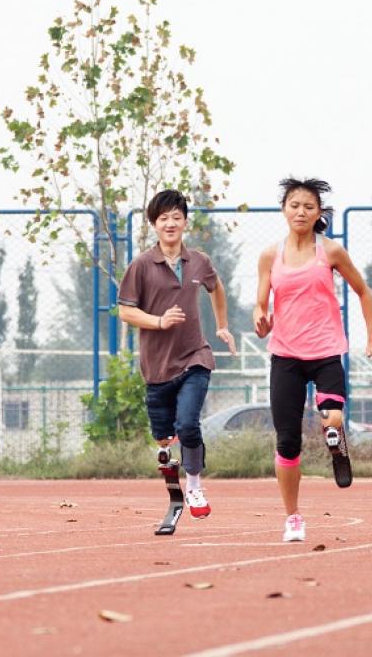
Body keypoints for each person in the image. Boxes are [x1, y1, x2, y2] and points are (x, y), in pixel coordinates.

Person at [253, 178, 372, 543]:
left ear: (318, 214)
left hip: (327, 350)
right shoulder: (270, 255)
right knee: (287, 443)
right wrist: (261, 319)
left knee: (332, 416)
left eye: (309, 207)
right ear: (284, 210)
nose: (301, 211)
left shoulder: (330, 252)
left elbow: (364, 291)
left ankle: (337, 441)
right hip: (285, 356)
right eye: (294, 205)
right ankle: (293, 518)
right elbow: (260, 304)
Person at [118, 189, 237, 521]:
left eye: (176, 217)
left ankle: (195, 485)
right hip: (157, 367)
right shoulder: (141, 265)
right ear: (154, 224)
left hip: (195, 356)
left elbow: (217, 288)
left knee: (188, 424)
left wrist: (222, 326)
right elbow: (126, 312)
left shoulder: (199, 261)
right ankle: (168, 463)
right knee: (164, 437)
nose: (170, 223)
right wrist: (158, 321)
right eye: (163, 218)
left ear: (185, 221)